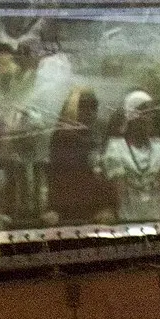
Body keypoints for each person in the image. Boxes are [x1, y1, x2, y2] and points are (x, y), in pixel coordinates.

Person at [99, 90, 160, 225]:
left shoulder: (159, 147)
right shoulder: (116, 148)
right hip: (127, 224)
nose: (150, 118)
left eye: (151, 113)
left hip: (158, 222)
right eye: (145, 113)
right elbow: (116, 193)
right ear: (131, 116)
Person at [48, 88, 101, 224]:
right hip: (65, 213)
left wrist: (106, 207)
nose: (89, 112)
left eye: (93, 107)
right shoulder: (62, 140)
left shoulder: (98, 138)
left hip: (95, 213)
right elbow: (56, 178)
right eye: (83, 107)